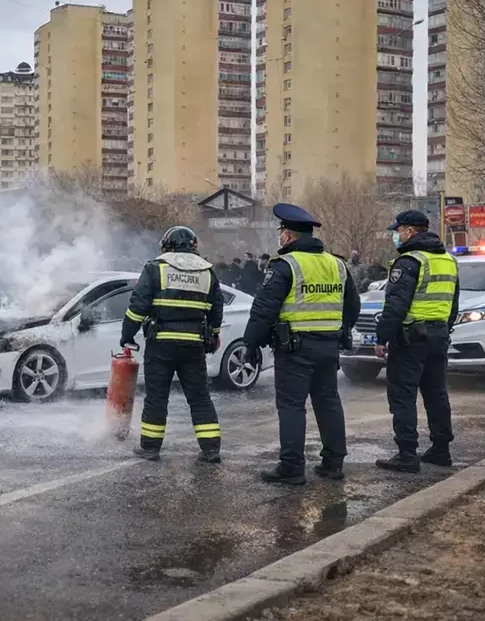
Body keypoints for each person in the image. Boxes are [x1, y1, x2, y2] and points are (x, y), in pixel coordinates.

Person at [245, 203, 360, 485]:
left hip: (295, 349)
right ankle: (333, 463)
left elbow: (264, 309)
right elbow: (353, 306)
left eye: (282, 232)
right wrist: (340, 330)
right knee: (328, 402)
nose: (280, 236)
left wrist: (251, 344)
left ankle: (292, 467)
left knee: (292, 406)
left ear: (289, 235)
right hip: (328, 346)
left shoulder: (286, 265)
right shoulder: (337, 264)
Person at [120, 226, 225, 464]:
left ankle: (150, 447)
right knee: (199, 397)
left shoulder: (156, 268)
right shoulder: (207, 272)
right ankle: (211, 449)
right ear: (194, 246)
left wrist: (127, 334)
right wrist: (214, 334)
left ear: (166, 245)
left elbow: (138, 307)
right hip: (193, 346)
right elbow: (216, 309)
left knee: (157, 396)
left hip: (161, 344)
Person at [374, 210, 459, 473]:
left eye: (398, 231)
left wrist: (382, 337)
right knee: (436, 393)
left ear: (410, 231)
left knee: (402, 395)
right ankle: (441, 449)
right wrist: (444, 328)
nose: (396, 236)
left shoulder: (409, 261)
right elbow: (454, 303)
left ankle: (407, 453)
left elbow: (396, 306)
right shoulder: (448, 260)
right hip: (439, 335)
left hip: (411, 338)